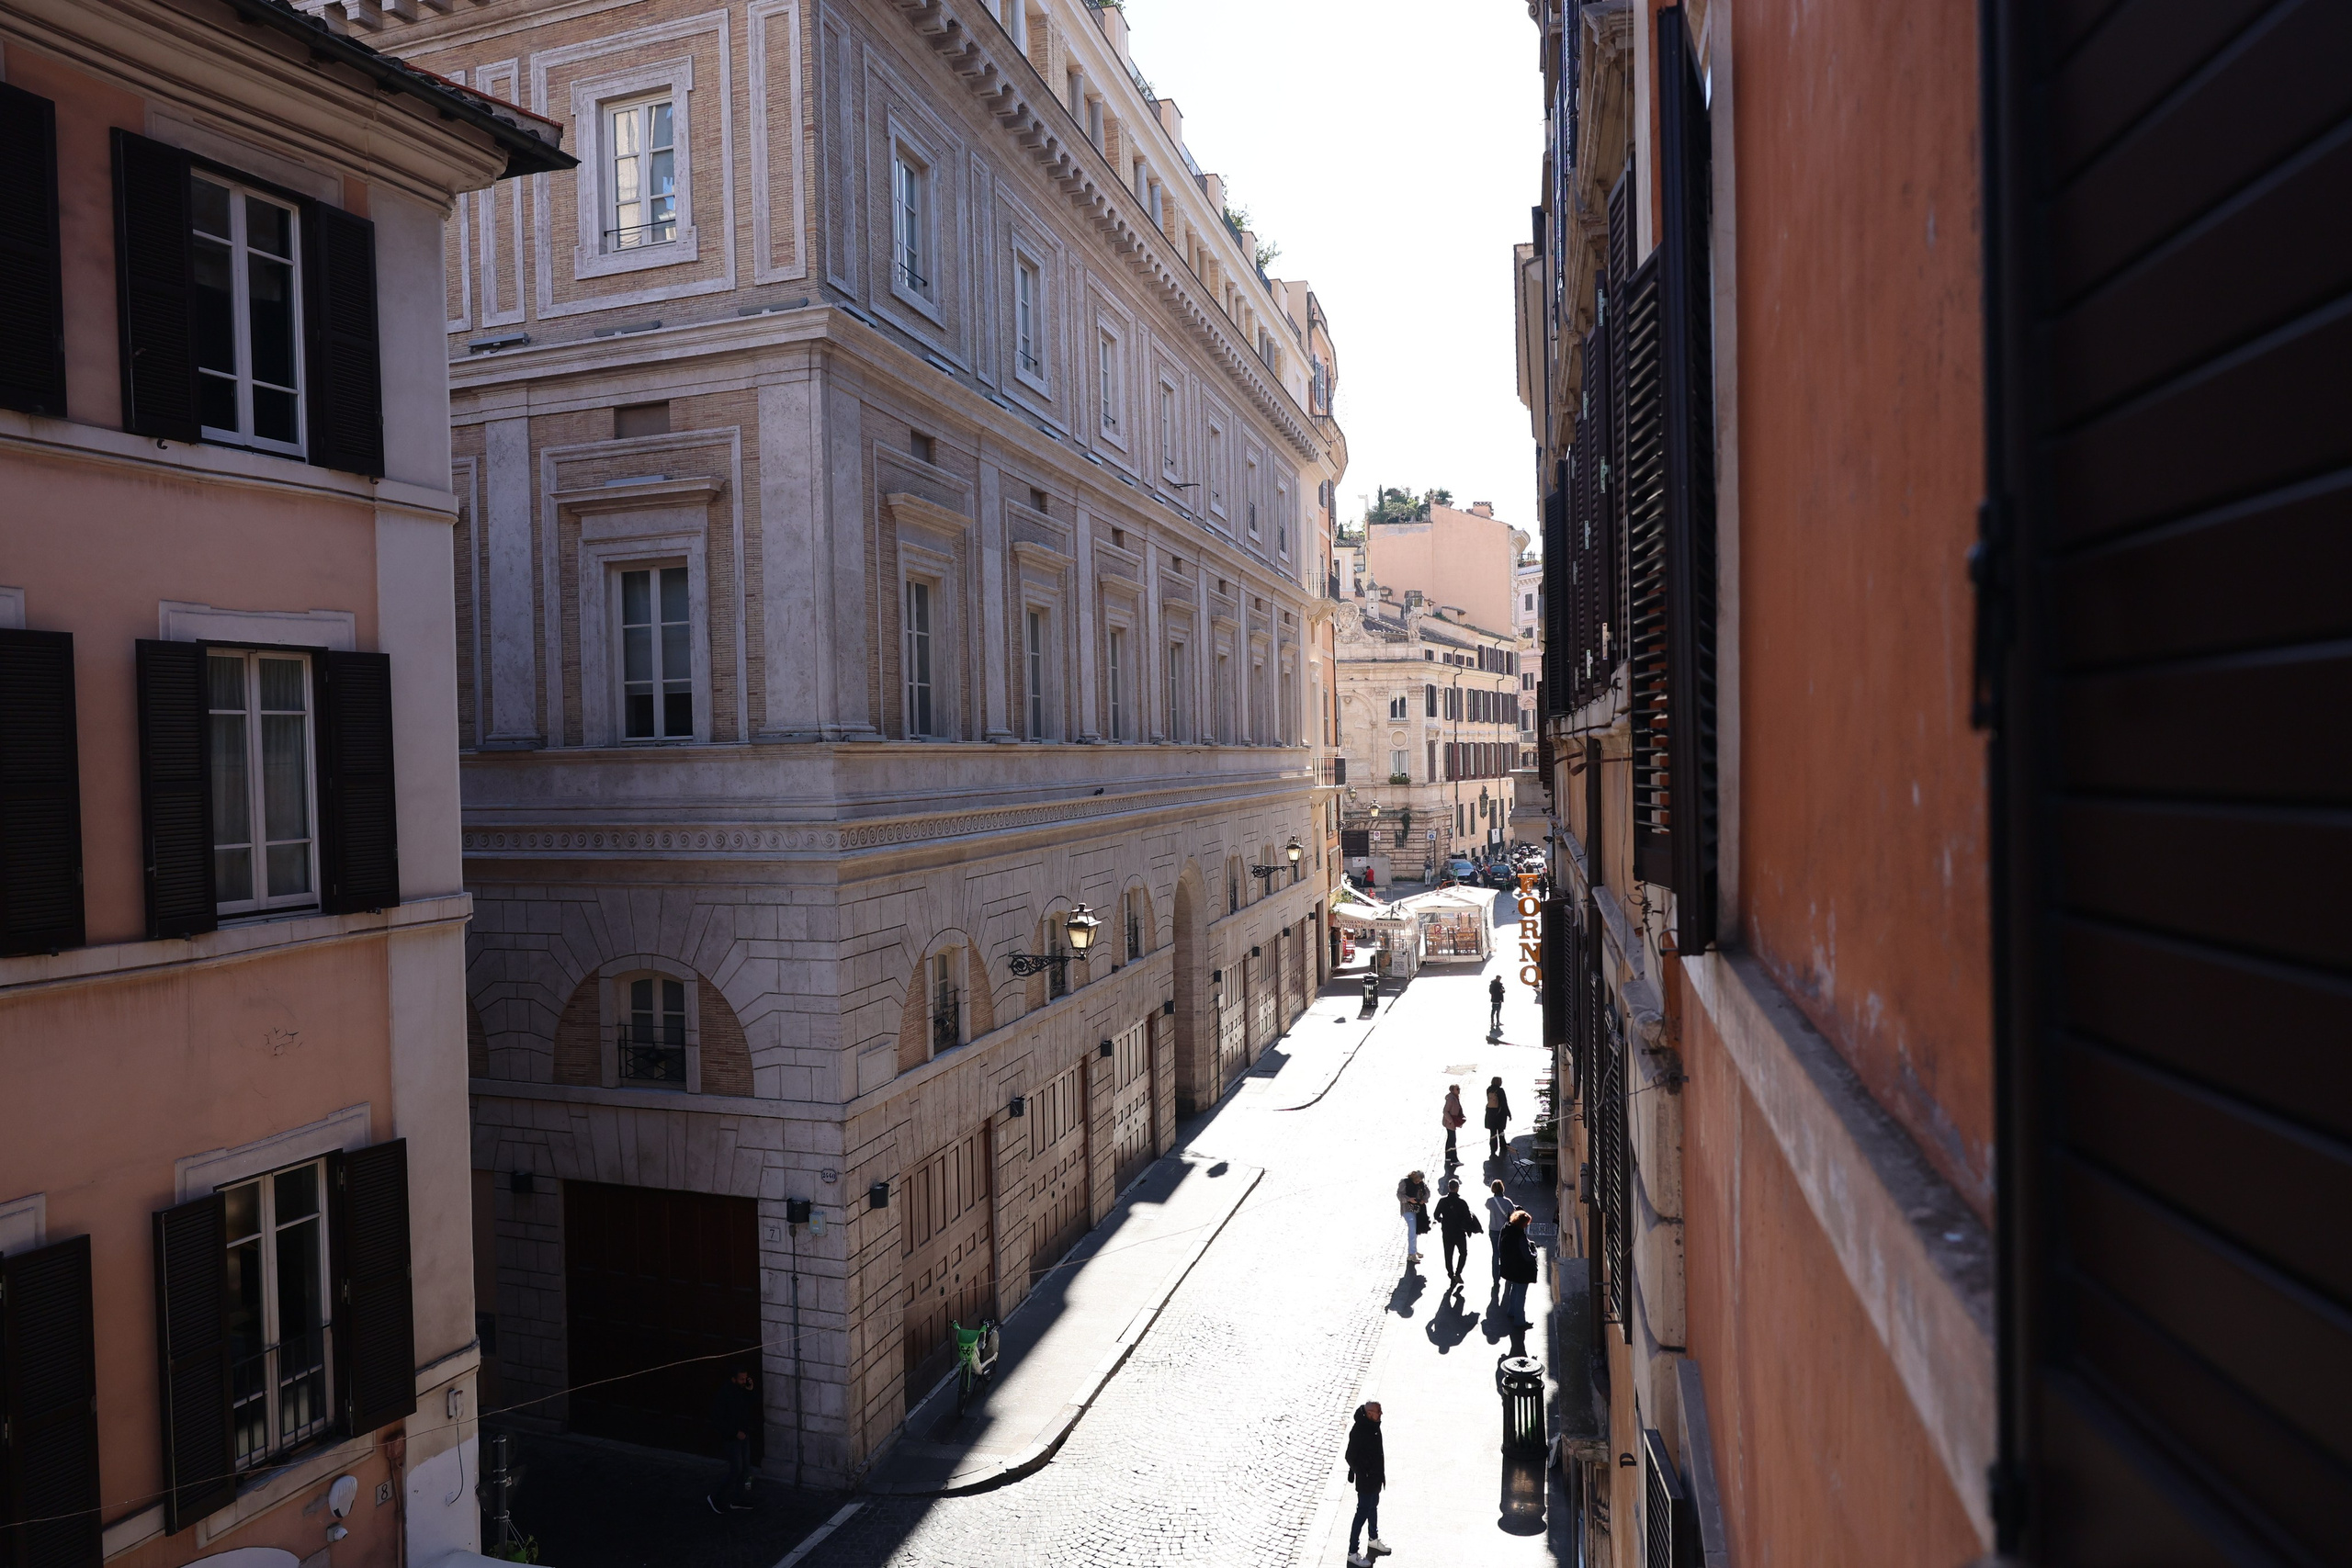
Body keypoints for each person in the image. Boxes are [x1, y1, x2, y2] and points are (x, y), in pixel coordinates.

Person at [705, 1366, 759, 1512]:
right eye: (741, 1379)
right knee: (736, 1469)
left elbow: (750, 1405)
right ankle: (716, 1497)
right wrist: (735, 1432)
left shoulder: (742, 1390)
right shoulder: (725, 1394)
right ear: (733, 1379)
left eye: (745, 1378)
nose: (743, 1381)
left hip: (744, 1434)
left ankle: (739, 1498)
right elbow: (719, 1419)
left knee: (746, 1469)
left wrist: (750, 1390)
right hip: (732, 1438)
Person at [1345, 1402, 1389, 1564]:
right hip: (1366, 1481)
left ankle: (1373, 1538)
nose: (1381, 1414)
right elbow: (1349, 1456)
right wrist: (1363, 1472)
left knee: (1372, 1508)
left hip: (1376, 1478)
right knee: (1361, 1514)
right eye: (1379, 1411)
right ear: (1370, 1413)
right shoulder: (1359, 1430)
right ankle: (1352, 1552)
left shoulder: (1374, 1425)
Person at [1433, 1177, 1482, 1287]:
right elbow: (1468, 1218)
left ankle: (1450, 1274)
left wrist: (1442, 1221)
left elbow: (1436, 1215)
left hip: (1447, 1231)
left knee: (1448, 1254)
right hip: (1460, 1232)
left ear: (1449, 1187)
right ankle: (1458, 1272)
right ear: (1457, 1188)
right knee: (1463, 1253)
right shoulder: (1462, 1202)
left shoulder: (1443, 1201)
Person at [1498, 1210, 1539, 1330]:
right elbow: (1527, 1256)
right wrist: (1535, 1252)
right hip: (1521, 1269)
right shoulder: (1519, 1235)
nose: (1527, 1226)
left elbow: (1500, 1247)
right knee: (1521, 1294)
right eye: (1526, 1224)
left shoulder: (1506, 1229)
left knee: (1514, 1290)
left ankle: (1511, 1312)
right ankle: (1519, 1321)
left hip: (1509, 1266)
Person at [1485, 1178, 1513, 1293]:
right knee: (1506, 1253)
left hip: (1493, 1230)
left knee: (1495, 1254)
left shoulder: (1489, 1201)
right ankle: (1507, 1274)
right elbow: (1513, 1214)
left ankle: (1496, 1279)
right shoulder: (1508, 1202)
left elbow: (1487, 1207)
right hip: (1505, 1231)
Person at [1396, 1169, 1430, 1266]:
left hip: (1419, 1209)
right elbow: (1399, 1194)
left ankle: (1413, 1249)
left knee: (1416, 1230)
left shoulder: (1421, 1183)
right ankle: (1411, 1254)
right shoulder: (1404, 1182)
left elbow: (1427, 1192)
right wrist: (1408, 1199)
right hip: (1407, 1209)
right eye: (1418, 1180)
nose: (1419, 1182)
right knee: (1412, 1228)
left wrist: (1424, 1199)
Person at [1485, 1075, 1512, 1158]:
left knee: (1492, 1133)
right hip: (1500, 1115)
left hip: (1490, 1114)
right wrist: (1509, 1114)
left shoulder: (1489, 1089)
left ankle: (1493, 1149)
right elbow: (1504, 1103)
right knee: (1501, 1131)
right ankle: (1502, 1146)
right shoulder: (1500, 1091)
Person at [1441, 1084, 1466, 1166]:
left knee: (1450, 1139)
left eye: (1459, 1089)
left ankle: (1448, 1157)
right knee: (1452, 1140)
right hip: (1450, 1123)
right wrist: (1451, 1121)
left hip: (1450, 1122)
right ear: (1452, 1090)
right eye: (1457, 1089)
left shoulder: (1454, 1098)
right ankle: (1454, 1159)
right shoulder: (1451, 1099)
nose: (1459, 1091)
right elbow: (1445, 1111)